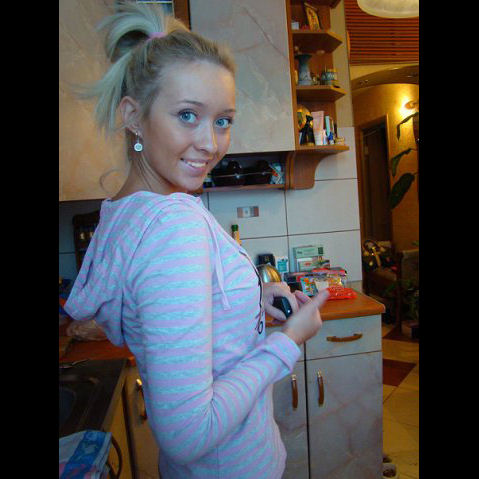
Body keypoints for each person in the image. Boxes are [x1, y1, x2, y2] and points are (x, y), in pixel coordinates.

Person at [64, 2, 329, 478]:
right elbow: (188, 433)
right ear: (133, 116)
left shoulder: (125, 215)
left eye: (223, 120)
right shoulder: (174, 226)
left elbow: (164, 311)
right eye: (187, 115)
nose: (210, 143)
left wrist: (249, 297)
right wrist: (290, 340)